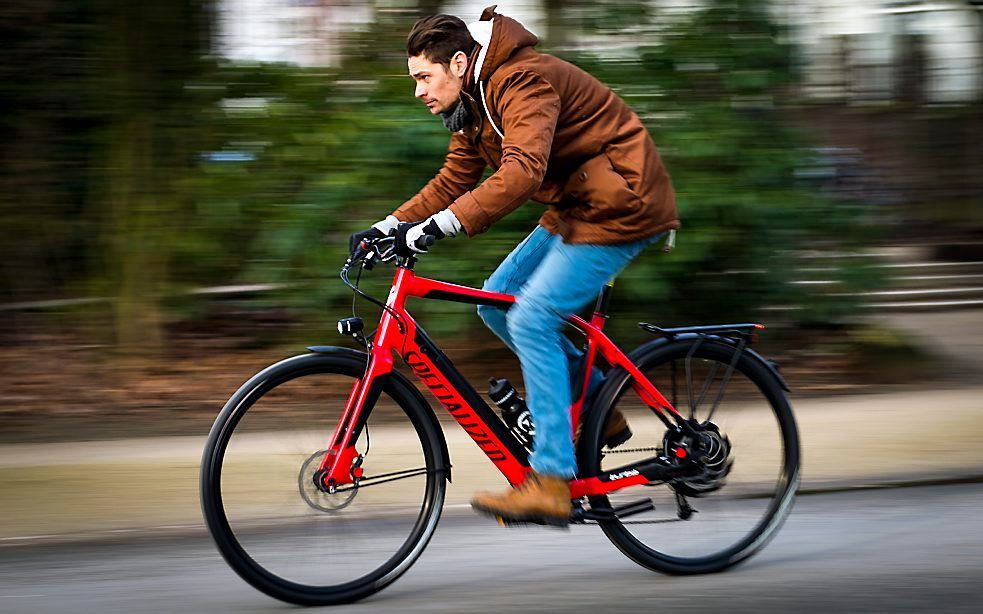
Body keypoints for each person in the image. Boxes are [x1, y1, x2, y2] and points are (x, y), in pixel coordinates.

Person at [348, 5, 679, 526]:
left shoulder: (520, 80)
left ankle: (551, 481)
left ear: (458, 62)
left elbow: (523, 170)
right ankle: (597, 403)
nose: (418, 91)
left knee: (531, 318)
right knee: (498, 300)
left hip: (623, 204)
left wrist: (439, 228)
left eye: (423, 77)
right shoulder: (474, 101)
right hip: (581, 203)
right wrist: (390, 225)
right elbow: (453, 179)